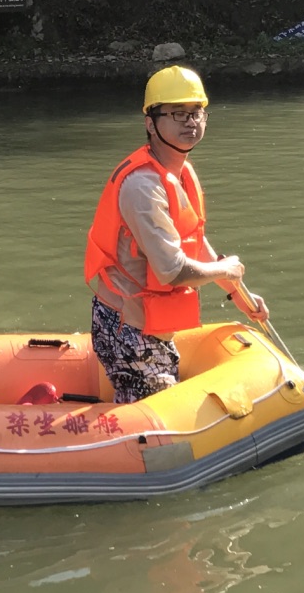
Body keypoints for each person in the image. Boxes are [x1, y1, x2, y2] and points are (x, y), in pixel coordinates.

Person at [83, 65, 269, 404]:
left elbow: (195, 246)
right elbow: (174, 270)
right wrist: (227, 270)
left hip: (152, 324)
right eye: (177, 114)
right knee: (153, 431)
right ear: (150, 123)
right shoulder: (142, 185)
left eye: (197, 112)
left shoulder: (178, 172)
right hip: (128, 328)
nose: (190, 122)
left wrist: (241, 294)